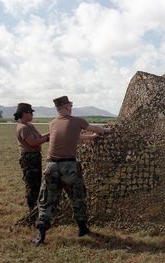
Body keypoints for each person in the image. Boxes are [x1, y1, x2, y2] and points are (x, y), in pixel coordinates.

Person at [34, 96, 111, 246]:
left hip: (51, 166)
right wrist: (107, 130)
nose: (71, 107)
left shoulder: (53, 123)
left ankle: (40, 235)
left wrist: (90, 138)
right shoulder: (77, 121)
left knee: (47, 201)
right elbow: (96, 129)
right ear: (67, 107)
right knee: (77, 197)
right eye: (70, 105)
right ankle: (83, 229)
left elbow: (73, 136)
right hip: (69, 167)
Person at [14, 103, 49, 212]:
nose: (32, 115)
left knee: (37, 183)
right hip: (29, 159)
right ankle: (32, 210)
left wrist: (53, 133)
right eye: (31, 112)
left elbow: (39, 137)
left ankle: (35, 209)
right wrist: (48, 139)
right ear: (25, 113)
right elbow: (33, 142)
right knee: (32, 186)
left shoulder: (29, 125)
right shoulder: (23, 127)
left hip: (34, 157)